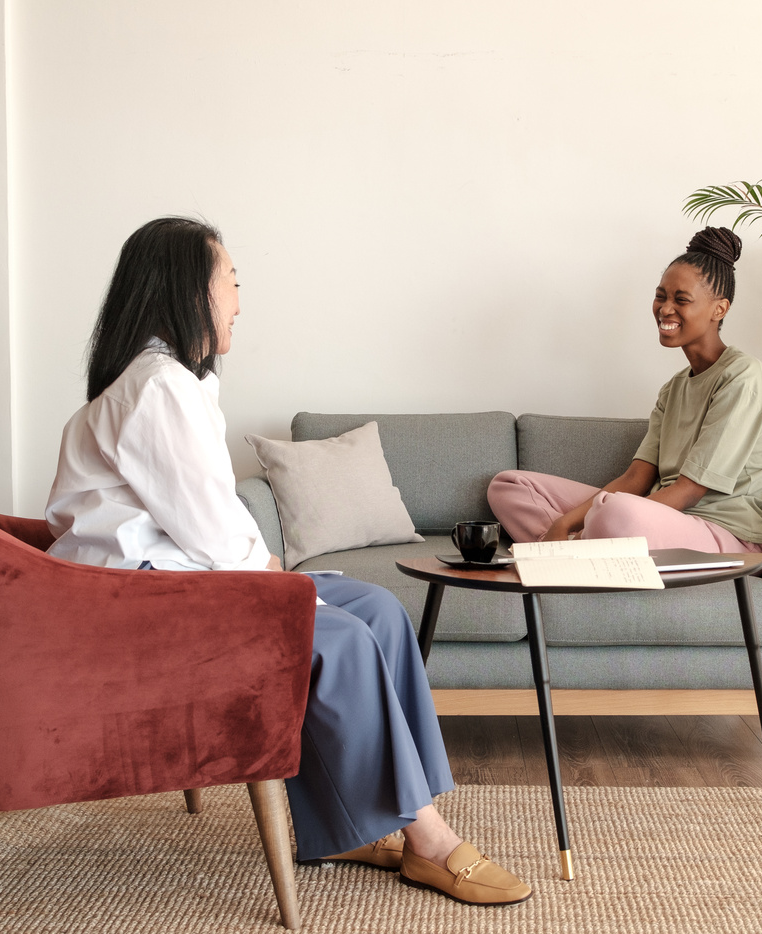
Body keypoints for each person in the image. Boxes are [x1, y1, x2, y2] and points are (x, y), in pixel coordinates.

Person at [45, 217, 531, 907]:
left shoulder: (166, 382)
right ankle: (429, 840)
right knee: (338, 636)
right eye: (232, 281)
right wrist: (272, 576)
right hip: (140, 607)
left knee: (380, 611)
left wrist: (270, 570)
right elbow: (211, 531)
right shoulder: (155, 389)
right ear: (191, 290)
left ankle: (355, 823)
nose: (240, 300)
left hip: (169, 584)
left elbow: (201, 518)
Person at [488, 227, 762, 554]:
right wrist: (563, 523)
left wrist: (603, 514)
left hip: (726, 535)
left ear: (720, 309)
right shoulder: (672, 390)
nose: (665, 309)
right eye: (661, 296)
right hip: (656, 518)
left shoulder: (743, 377)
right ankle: (574, 549)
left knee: (616, 512)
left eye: (681, 299)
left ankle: (570, 551)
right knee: (509, 486)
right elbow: (635, 480)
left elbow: (689, 491)